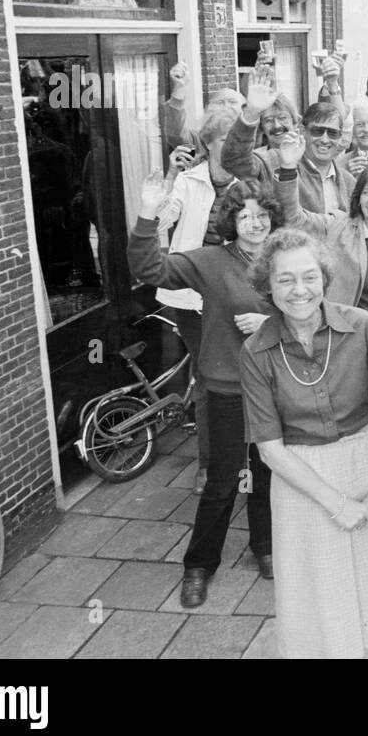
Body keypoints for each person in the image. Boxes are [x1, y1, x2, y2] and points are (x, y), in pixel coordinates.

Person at [241, 228, 368, 658]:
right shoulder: (256, 351)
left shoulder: (363, 327)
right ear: (268, 285)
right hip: (304, 485)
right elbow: (269, 448)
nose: (299, 290)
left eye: (309, 276)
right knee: (324, 605)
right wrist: (337, 504)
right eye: (285, 280)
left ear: (324, 277)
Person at [129, 176, 278, 607]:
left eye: (262, 215)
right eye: (246, 216)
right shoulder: (211, 262)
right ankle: (198, 564)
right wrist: (146, 214)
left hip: (273, 385)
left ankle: (264, 546)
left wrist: (271, 322)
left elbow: (309, 304)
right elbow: (150, 269)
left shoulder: (283, 258)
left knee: (267, 472)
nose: (255, 224)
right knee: (223, 480)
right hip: (228, 387)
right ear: (231, 221)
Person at [274, 139, 368, 470]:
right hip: (348, 338)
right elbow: (293, 217)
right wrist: (288, 169)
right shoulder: (339, 227)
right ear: (359, 198)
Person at [156, 98, 241, 494]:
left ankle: (253, 455)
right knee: (209, 377)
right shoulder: (190, 182)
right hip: (194, 298)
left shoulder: (250, 181)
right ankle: (209, 465)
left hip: (239, 294)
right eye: (226, 138)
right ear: (209, 143)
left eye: (239, 138)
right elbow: (161, 220)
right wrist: (170, 178)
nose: (234, 146)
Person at [223, 74, 351, 215]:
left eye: (332, 133)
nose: (325, 139)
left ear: (340, 137)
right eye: (317, 131)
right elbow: (235, 162)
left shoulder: (348, 181)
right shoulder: (274, 162)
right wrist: (251, 112)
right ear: (303, 130)